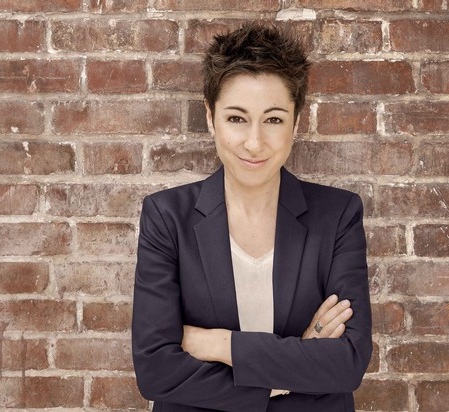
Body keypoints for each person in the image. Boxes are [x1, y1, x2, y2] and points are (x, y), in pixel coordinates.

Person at [132, 22, 372, 412]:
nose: (254, 142)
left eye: (273, 119)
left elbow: (347, 363)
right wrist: (290, 370)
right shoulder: (166, 217)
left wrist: (219, 344)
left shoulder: (337, 215)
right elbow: (156, 371)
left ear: (296, 122)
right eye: (236, 118)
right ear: (210, 117)